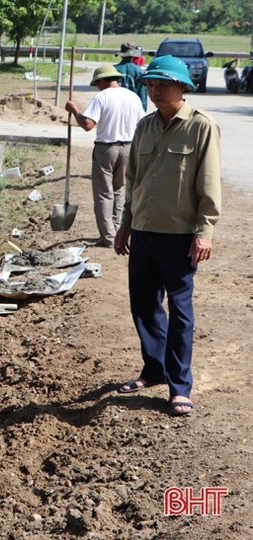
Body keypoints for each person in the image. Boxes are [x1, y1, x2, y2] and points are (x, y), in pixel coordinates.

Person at [114, 55, 221, 417]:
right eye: (150, 85)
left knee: (180, 310)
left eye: (162, 85)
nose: (154, 90)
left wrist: (204, 231)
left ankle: (180, 386)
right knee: (144, 306)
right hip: (143, 231)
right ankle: (154, 369)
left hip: (179, 236)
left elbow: (209, 183)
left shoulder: (201, 127)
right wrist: (126, 223)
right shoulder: (144, 127)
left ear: (182, 87)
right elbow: (133, 181)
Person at [65, 64, 145, 248]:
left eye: (97, 83)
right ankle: (117, 230)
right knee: (120, 190)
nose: (97, 87)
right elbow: (142, 124)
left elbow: (87, 124)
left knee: (103, 193)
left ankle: (108, 237)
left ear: (103, 80)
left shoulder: (102, 97)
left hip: (106, 149)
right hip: (129, 147)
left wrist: (74, 110)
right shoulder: (132, 96)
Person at [114, 42, 148, 111]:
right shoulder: (139, 72)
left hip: (115, 108)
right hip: (133, 109)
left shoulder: (113, 70)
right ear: (133, 56)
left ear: (121, 55)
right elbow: (142, 96)